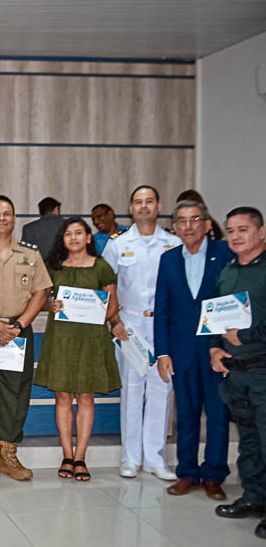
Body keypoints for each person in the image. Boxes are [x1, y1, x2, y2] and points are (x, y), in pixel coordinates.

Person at [0, 195, 52, 482]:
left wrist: (19, 324)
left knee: (15, 395)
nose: (2, 218)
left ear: (14, 219)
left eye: (7, 213)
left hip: (18, 331)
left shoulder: (30, 253)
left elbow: (41, 292)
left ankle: (8, 457)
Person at [154, 200, 234, 500]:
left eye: (194, 219)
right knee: (186, 415)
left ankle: (214, 475)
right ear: (175, 227)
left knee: (217, 414)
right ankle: (187, 472)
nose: (188, 226)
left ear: (206, 224)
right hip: (182, 351)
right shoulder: (169, 260)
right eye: (182, 221)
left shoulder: (224, 254)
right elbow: (161, 308)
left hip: (216, 351)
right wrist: (162, 353)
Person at [103, 185, 181, 480]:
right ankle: (130, 458)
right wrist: (114, 321)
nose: (144, 206)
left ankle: (155, 457)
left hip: (164, 327)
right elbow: (106, 286)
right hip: (129, 327)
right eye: (138, 202)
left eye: (149, 201)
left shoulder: (173, 243)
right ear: (130, 207)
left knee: (162, 389)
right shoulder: (118, 244)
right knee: (133, 392)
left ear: (159, 206)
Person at [35, 218, 121, 481]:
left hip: (91, 339)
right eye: (68, 233)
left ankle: (81, 456)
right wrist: (52, 306)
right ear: (62, 239)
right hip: (61, 338)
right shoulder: (53, 267)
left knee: (85, 397)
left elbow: (112, 307)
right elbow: (40, 302)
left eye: (78, 233)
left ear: (88, 238)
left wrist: (94, 309)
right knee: (62, 397)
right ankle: (67, 455)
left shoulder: (102, 266)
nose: (73, 237)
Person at [210, 207, 266, 539]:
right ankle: (254, 498)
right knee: (249, 441)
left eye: (243, 229)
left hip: (263, 369)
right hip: (236, 373)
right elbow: (216, 319)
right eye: (230, 230)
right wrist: (215, 348)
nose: (235, 236)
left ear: (261, 233)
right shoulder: (227, 273)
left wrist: (244, 337)